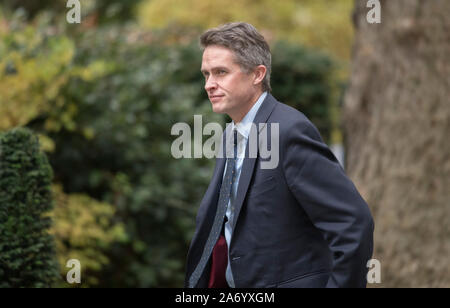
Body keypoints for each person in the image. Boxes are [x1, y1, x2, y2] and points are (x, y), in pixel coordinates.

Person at [184, 22, 374, 288]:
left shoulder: (289, 130)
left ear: (257, 74)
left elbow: (354, 224)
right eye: (206, 74)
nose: (209, 85)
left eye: (221, 72)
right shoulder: (230, 135)